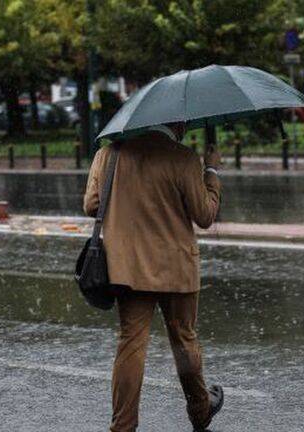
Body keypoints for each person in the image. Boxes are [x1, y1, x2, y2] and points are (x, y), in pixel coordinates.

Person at [83, 122, 224, 432]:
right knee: (183, 340)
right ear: (174, 123)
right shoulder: (183, 158)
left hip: (128, 266)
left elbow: (92, 205)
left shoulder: (109, 153)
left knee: (131, 344)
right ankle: (200, 410)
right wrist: (212, 173)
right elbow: (204, 215)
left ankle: (123, 426)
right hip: (176, 267)